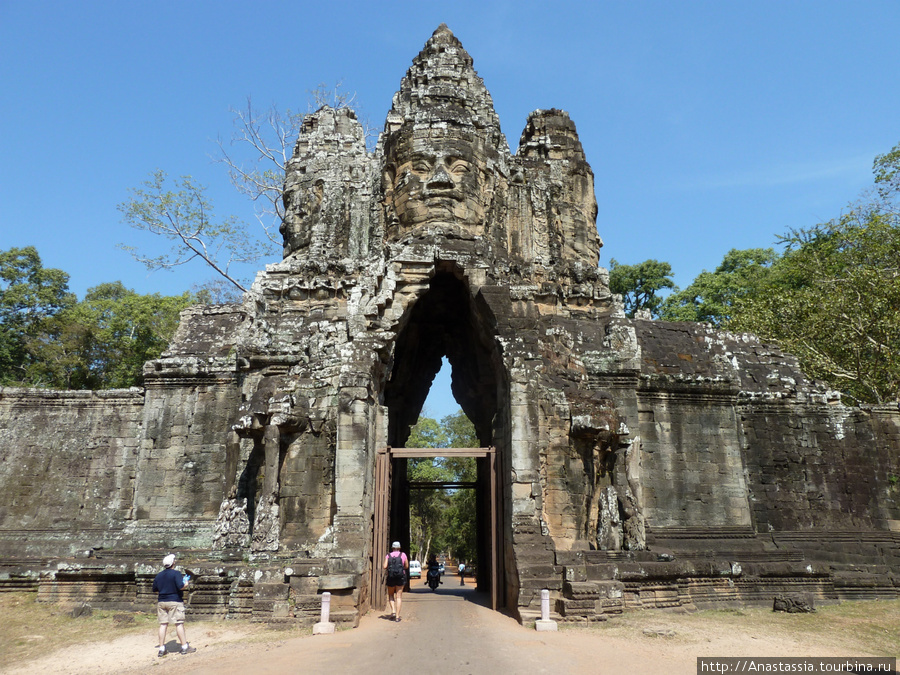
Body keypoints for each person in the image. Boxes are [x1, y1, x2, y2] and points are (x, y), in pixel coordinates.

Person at [152, 553, 195, 657]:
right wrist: (186, 583)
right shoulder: (176, 574)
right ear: (173, 563)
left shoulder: (159, 575)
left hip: (162, 601)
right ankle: (184, 647)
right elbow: (181, 587)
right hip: (174, 601)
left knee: (163, 624)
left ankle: (162, 649)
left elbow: (155, 589)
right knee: (178, 623)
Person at [383, 541, 408, 622]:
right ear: (399, 548)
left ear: (392, 548)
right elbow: (406, 566)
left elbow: (384, 566)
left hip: (391, 577)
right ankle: (397, 616)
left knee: (390, 595)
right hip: (400, 577)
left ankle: (393, 611)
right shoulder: (403, 555)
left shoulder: (388, 555)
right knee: (399, 596)